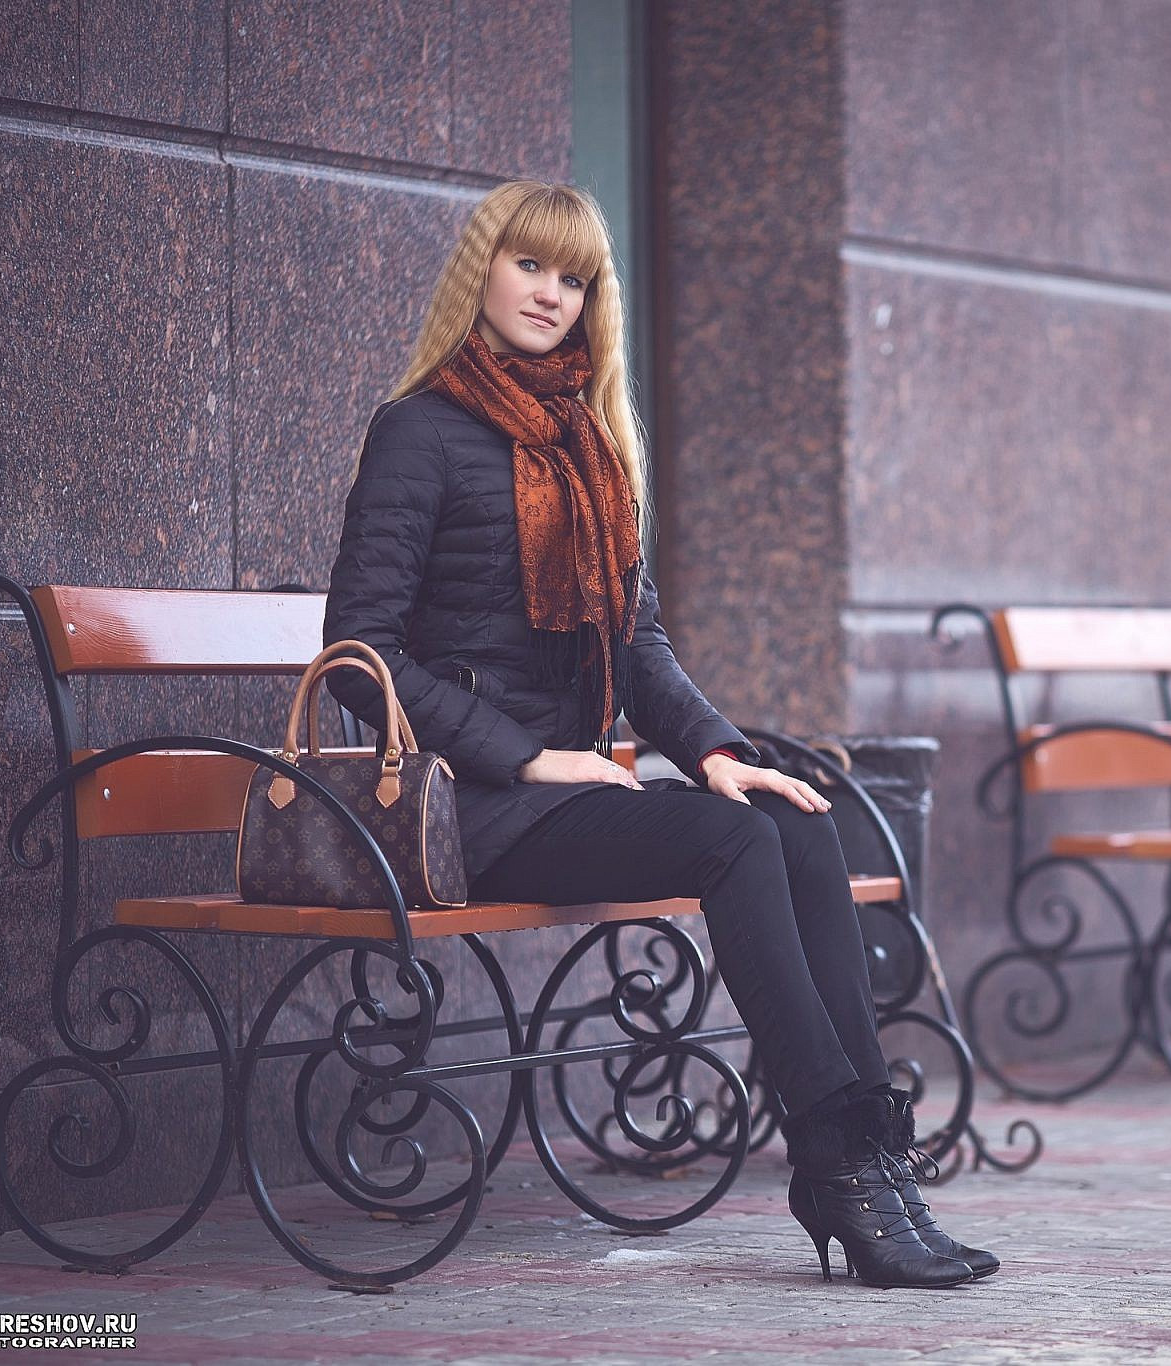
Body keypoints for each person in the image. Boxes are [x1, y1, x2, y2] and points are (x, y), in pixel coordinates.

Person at [321, 179, 995, 1289]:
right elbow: (361, 653)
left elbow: (641, 649)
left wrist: (722, 752)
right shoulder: (419, 432)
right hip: (475, 801)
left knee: (784, 817)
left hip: (573, 788)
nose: (550, 294)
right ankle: (832, 1155)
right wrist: (526, 753)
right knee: (728, 843)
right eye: (529, 265)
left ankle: (866, 1152)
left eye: (573, 277)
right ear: (479, 270)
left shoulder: (588, 442)